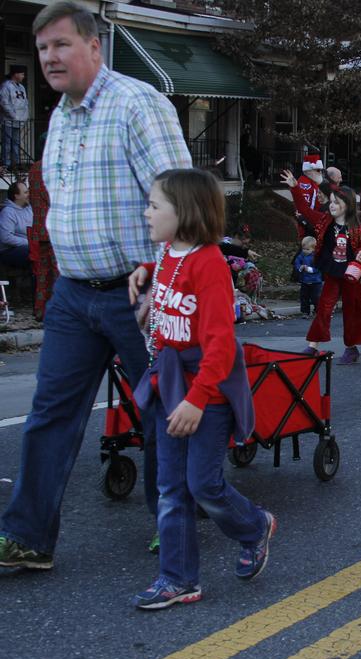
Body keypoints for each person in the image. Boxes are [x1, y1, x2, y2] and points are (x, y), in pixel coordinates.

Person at [0, 1, 191, 571]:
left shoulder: (138, 105)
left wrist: (166, 279)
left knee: (161, 409)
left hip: (139, 291)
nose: (49, 58)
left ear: (93, 46)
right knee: (50, 414)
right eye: (41, 49)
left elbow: (183, 199)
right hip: (74, 294)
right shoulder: (58, 114)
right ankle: (28, 538)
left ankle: (172, 523)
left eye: (60, 45)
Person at [126, 168, 275, 610]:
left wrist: (197, 399)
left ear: (185, 213)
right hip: (171, 383)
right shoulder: (169, 252)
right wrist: (146, 270)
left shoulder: (209, 265)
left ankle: (254, 527)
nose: (146, 213)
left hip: (204, 391)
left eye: (155, 205)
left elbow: (221, 345)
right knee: (171, 487)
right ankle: (178, 579)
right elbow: (172, 272)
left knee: (203, 486)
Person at [282, 170, 361, 364]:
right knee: (324, 307)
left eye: (336, 203)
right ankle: (313, 346)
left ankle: (351, 348)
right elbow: (304, 210)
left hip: (350, 275)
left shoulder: (356, 227)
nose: (332, 205)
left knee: (351, 311)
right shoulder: (324, 221)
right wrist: (295, 188)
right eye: (331, 201)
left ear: (347, 206)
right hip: (332, 271)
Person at [27, 154, 58, 320]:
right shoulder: (52, 167)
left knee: (42, 273)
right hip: (55, 229)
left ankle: (41, 310)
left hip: (39, 228)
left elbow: (33, 196)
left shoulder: (33, 168)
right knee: (58, 274)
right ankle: (57, 312)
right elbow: (54, 199)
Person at [0, 65, 29, 173]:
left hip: (19, 120)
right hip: (8, 120)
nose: (23, 76)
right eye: (22, 74)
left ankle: (16, 164)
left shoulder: (21, 87)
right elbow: (4, 102)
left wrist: (24, 117)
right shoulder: (6, 86)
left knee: (16, 142)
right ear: (15, 74)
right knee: (7, 143)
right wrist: (13, 115)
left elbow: (25, 103)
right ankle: (6, 165)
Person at [0, 181, 31, 268]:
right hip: (9, 251)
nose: (29, 194)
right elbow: (6, 238)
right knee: (30, 251)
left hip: (29, 245)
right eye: (25, 192)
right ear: (16, 196)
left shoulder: (29, 208)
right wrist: (29, 242)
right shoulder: (8, 212)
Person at [293, 154, 324, 240]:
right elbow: (303, 207)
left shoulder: (313, 181)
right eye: (318, 170)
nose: (320, 173)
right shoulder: (304, 184)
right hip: (309, 225)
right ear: (308, 171)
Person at [294, 235, 323, 316]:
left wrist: (310, 269)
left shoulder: (316, 257)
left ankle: (317, 310)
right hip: (305, 280)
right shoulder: (301, 256)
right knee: (304, 297)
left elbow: (318, 267)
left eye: (307, 249)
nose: (305, 251)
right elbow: (297, 263)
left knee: (316, 297)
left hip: (316, 281)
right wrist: (300, 267)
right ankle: (305, 311)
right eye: (303, 249)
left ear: (313, 249)